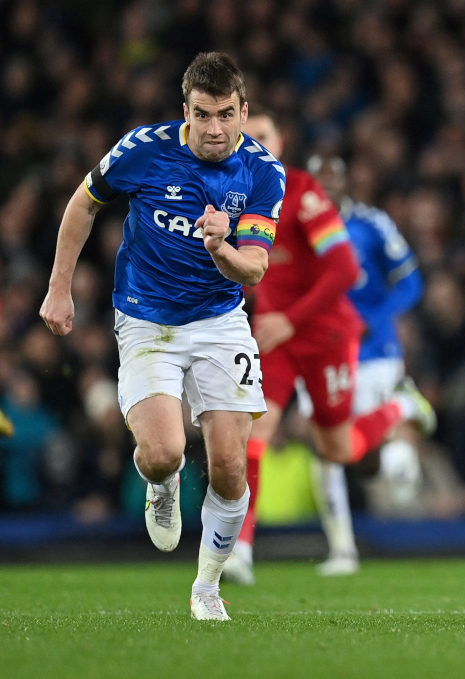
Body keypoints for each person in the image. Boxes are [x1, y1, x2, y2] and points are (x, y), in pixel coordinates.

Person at [39, 53, 284, 621]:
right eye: (204, 115)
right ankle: (163, 482)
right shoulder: (143, 149)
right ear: (186, 112)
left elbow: (253, 270)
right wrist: (59, 289)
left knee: (229, 466)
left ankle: (206, 589)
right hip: (147, 318)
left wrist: (221, 247)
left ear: (244, 112)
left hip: (220, 321)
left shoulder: (263, 172)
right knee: (161, 453)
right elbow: (82, 205)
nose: (216, 129)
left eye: (227, 114)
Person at [221, 110, 434, 586]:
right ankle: (242, 551)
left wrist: (290, 319)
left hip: (325, 337)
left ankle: (399, 406)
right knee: (252, 435)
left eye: (262, 136)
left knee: (335, 450)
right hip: (275, 339)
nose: (252, 144)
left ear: (279, 141)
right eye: (245, 137)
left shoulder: (304, 195)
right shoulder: (230, 195)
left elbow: (342, 270)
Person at [303, 154, 426, 565]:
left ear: (344, 181)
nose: (326, 185)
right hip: (320, 352)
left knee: (363, 455)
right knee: (328, 448)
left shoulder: (372, 224)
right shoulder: (294, 228)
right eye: (318, 178)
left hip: (373, 352)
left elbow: (410, 281)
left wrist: (374, 317)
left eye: (333, 176)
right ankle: (342, 548)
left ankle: (402, 417)